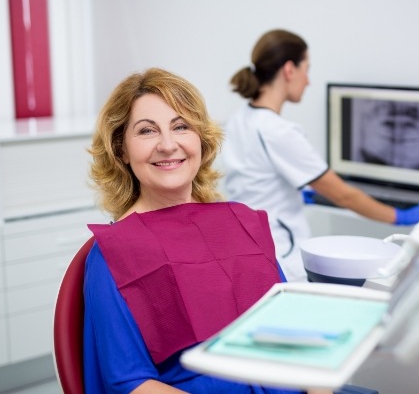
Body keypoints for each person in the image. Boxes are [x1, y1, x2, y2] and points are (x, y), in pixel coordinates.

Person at [83, 67, 331, 394]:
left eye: (181, 126)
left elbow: (295, 334)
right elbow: (129, 382)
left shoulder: (240, 223)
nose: (168, 144)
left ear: (201, 139)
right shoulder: (114, 253)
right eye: (147, 131)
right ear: (122, 150)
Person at [223, 29, 419, 282]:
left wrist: (293, 193)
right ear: (290, 70)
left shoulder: (240, 119)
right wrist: (399, 216)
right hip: (282, 255)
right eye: (307, 69)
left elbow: (254, 180)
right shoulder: (278, 132)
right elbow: (343, 195)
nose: (308, 80)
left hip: (250, 248)